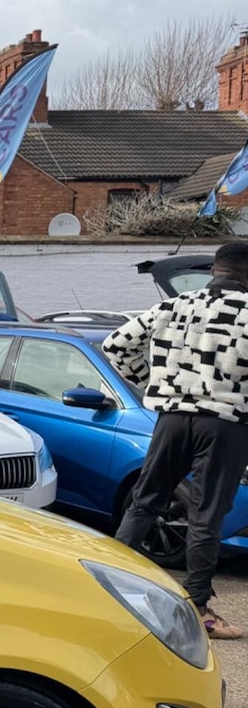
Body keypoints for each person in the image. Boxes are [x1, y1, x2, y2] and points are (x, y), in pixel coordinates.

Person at [104, 240, 248, 639]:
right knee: (207, 513)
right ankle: (198, 606)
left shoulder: (173, 306)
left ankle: (108, 591)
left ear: (215, 270)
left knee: (144, 501)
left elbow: (115, 345)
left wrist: (151, 383)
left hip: (171, 418)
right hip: (225, 424)